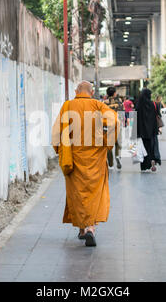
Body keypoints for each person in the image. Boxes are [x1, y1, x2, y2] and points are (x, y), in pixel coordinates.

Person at [53, 81, 119, 247]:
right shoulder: (98, 105)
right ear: (91, 92)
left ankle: (82, 230)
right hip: (95, 158)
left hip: (74, 158)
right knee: (94, 194)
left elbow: (57, 132)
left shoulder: (68, 106)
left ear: (76, 91)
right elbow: (114, 121)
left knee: (78, 194)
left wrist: (59, 149)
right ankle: (91, 228)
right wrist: (106, 142)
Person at [136, 88, 161, 172]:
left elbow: (135, 118)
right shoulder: (154, 104)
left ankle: (144, 166)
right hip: (152, 131)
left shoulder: (138, 105)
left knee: (143, 148)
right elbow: (158, 115)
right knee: (151, 147)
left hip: (141, 131)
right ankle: (152, 161)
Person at [104, 87, 124, 170]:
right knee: (118, 143)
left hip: (108, 125)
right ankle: (117, 156)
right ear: (115, 93)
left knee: (109, 144)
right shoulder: (119, 101)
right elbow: (122, 112)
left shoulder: (104, 102)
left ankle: (110, 163)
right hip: (118, 123)